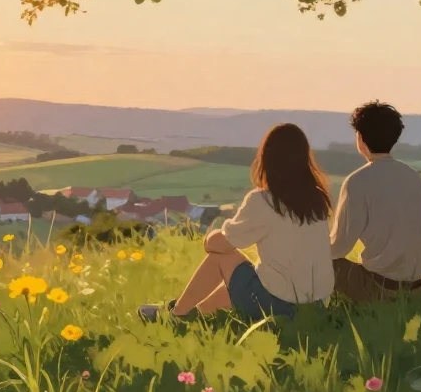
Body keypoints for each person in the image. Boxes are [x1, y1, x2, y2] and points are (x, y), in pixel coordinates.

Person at [139, 123, 333, 322]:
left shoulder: (264, 200)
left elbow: (220, 245)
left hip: (280, 304)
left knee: (223, 258)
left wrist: (210, 238)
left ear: (267, 158)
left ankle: (175, 316)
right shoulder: (318, 199)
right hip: (315, 306)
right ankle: (190, 314)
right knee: (246, 275)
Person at [329, 101, 421, 303]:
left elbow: (338, 247)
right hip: (418, 289)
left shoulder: (357, 181)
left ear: (360, 138)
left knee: (324, 263)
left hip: (380, 289)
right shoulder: (412, 176)